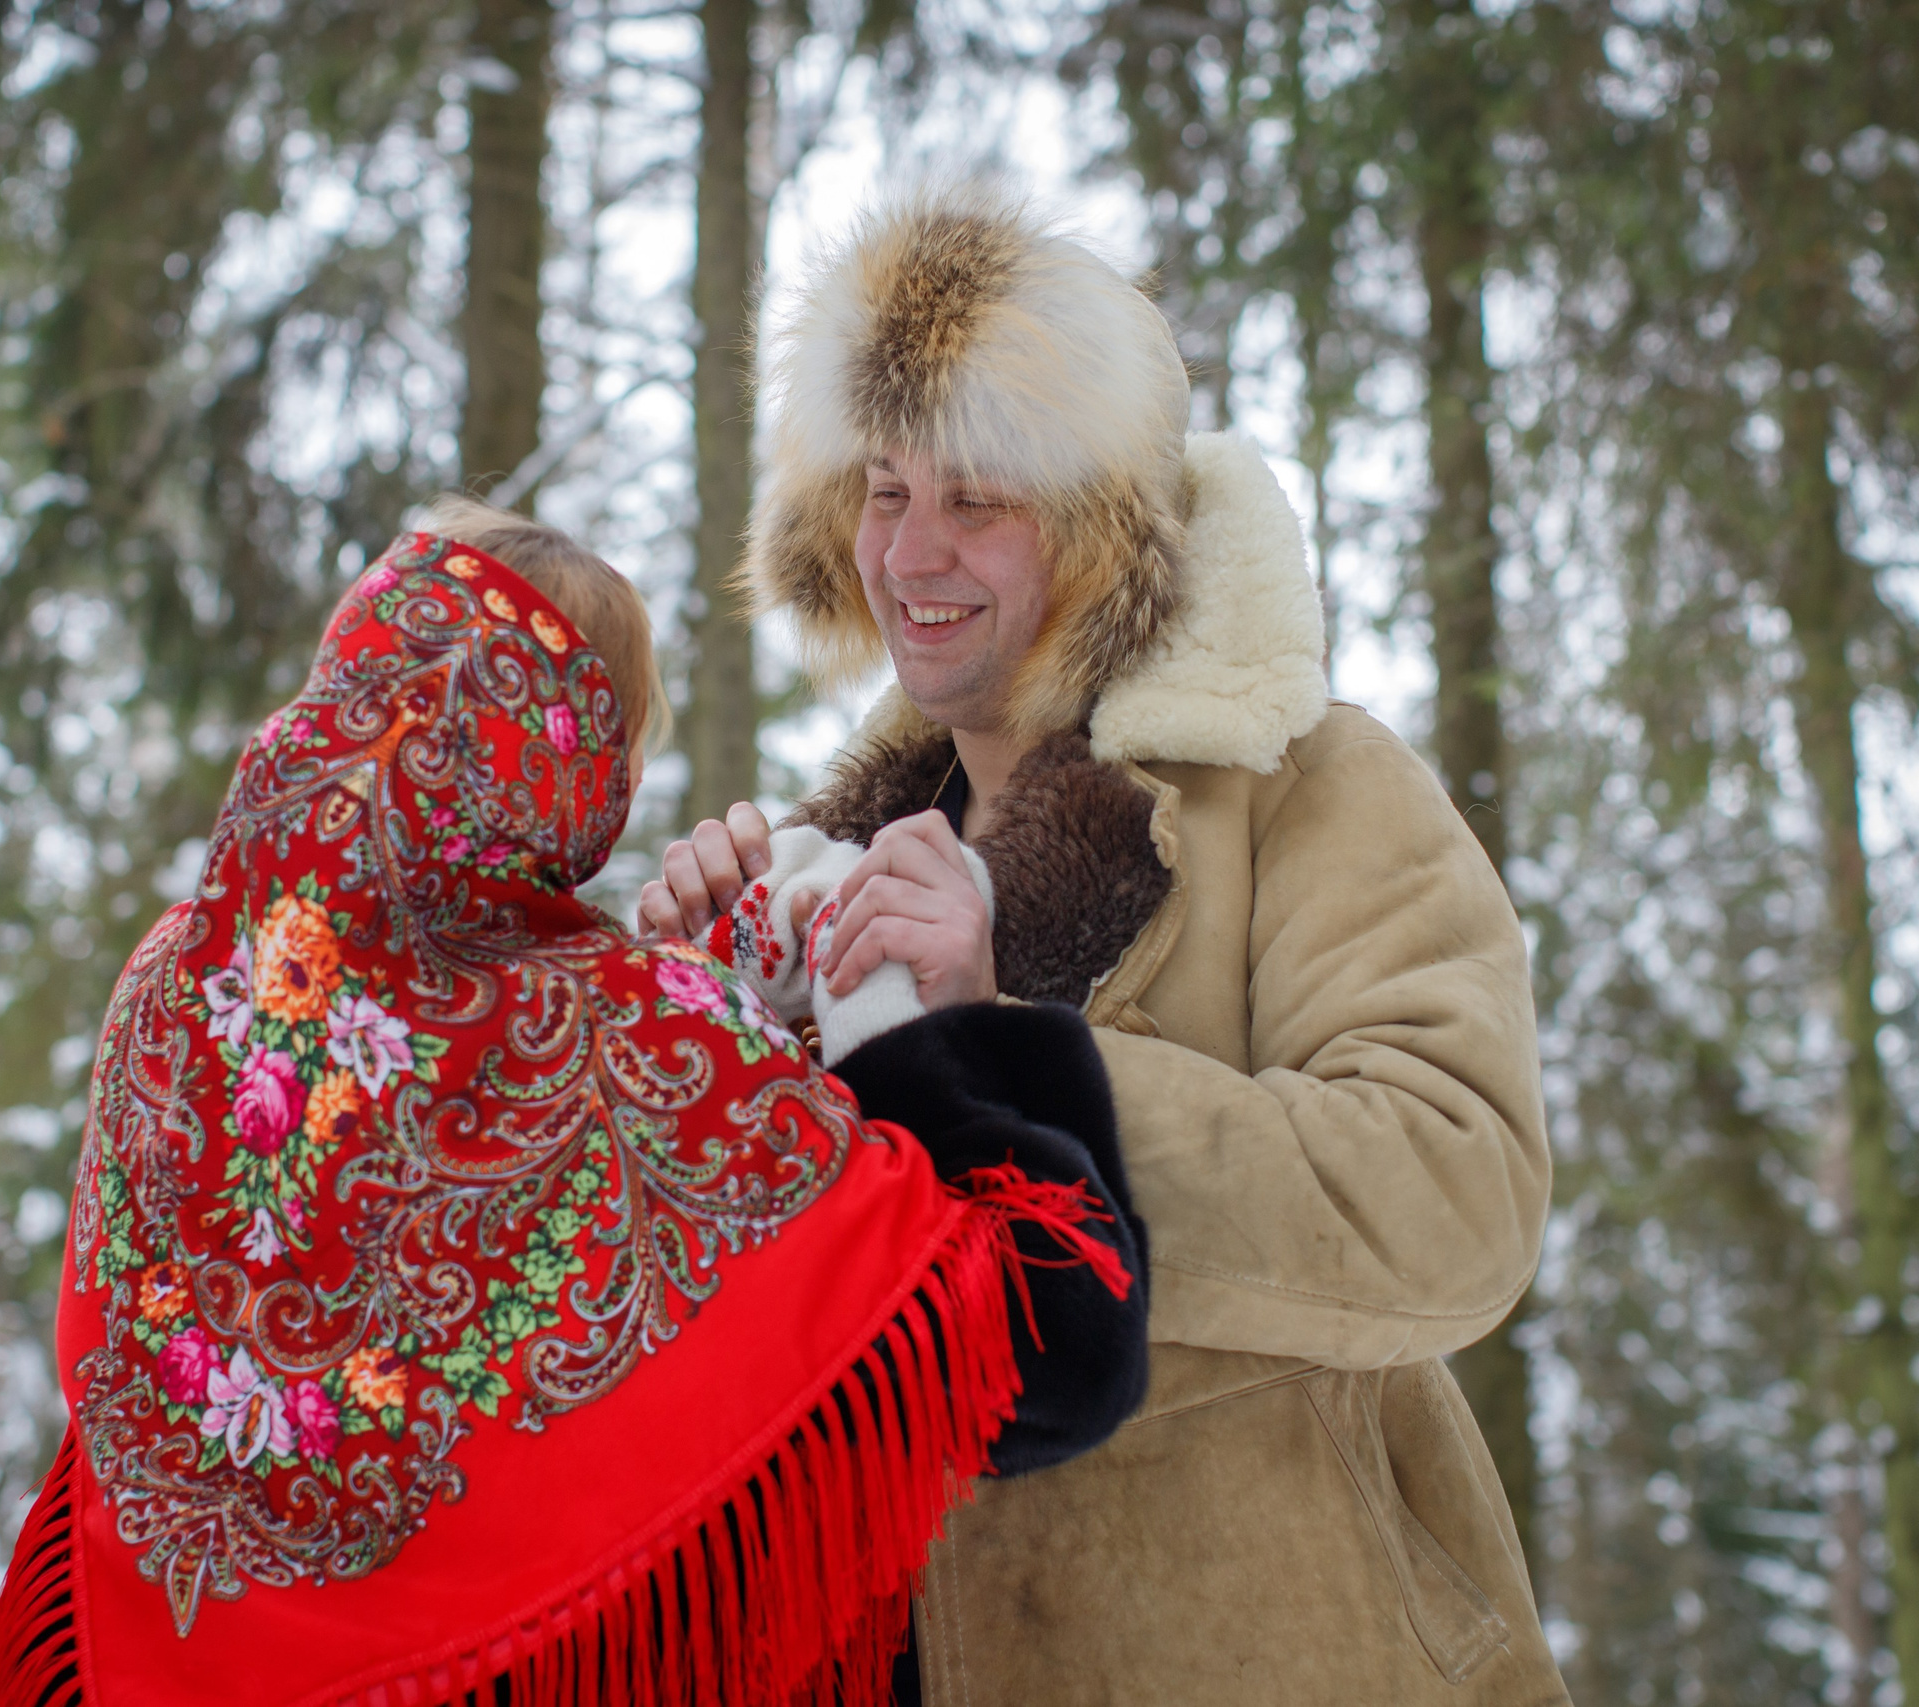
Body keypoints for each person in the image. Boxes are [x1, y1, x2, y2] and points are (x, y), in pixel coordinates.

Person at [0, 496, 1151, 1707]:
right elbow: (1048, 1338)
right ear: (576, 768)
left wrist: (725, 999)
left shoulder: (175, 984)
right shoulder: (630, 1039)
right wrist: (914, 1016)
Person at [641, 184, 1569, 1705]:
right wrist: (707, 1018)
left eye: (977, 497)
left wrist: (1005, 1045)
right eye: (883, 490)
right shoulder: (843, 868)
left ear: (1095, 531)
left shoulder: (1307, 782)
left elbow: (1459, 1187)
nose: (911, 551)